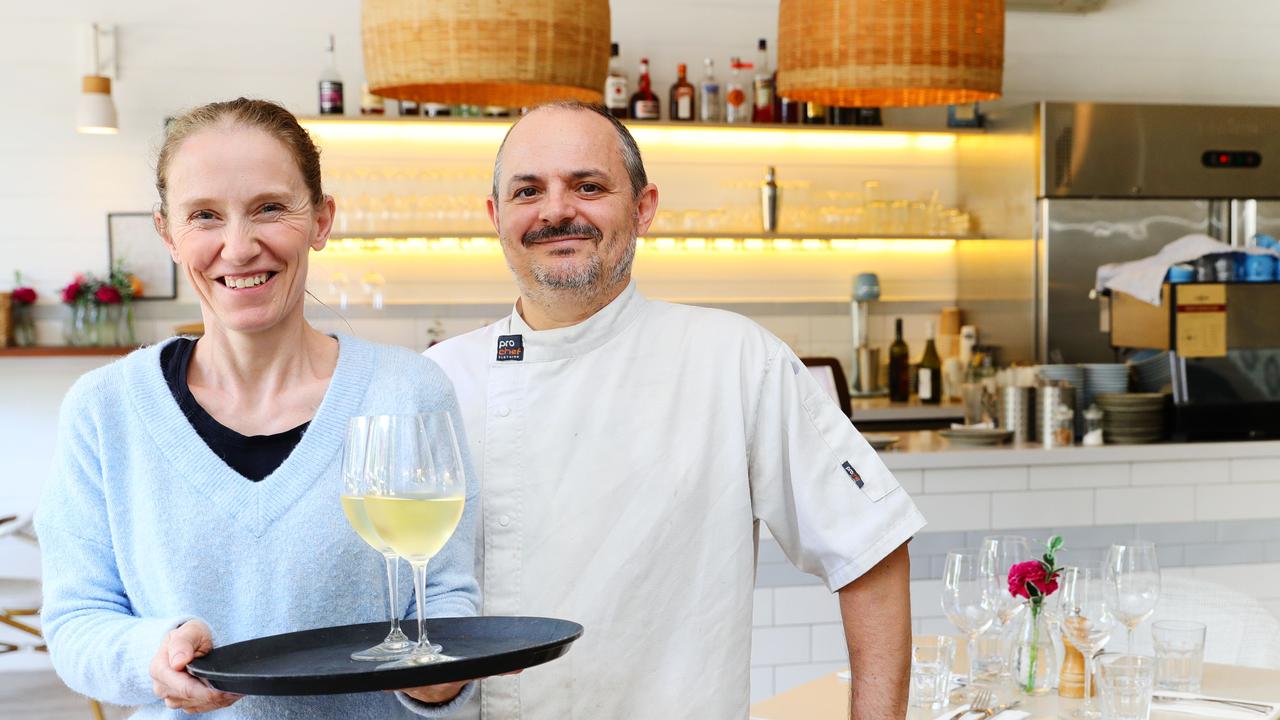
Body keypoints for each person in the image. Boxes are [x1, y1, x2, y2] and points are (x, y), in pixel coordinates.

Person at [424, 101, 927, 719]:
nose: (556, 210)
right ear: (496, 217)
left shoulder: (735, 359)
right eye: (529, 191)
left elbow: (869, 549)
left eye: (588, 186)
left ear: (643, 208)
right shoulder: (440, 380)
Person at [36, 98, 480, 718]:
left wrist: (441, 679)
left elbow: (446, 596)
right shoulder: (104, 410)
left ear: (321, 220)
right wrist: (151, 654)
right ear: (168, 233)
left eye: (270, 208)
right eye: (205, 216)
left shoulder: (408, 391)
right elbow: (77, 621)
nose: (239, 247)